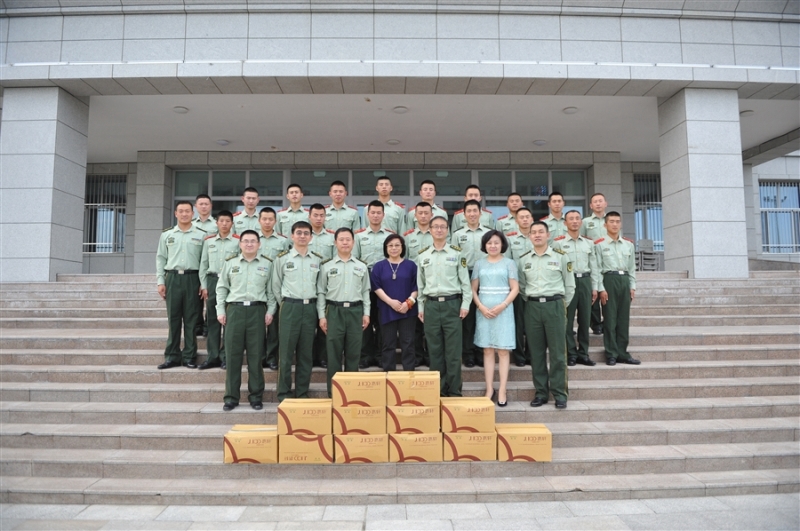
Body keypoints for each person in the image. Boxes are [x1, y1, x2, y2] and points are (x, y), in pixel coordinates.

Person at [215, 230, 276, 411]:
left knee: (256, 356)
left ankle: (256, 396)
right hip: (235, 310)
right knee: (232, 356)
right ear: (240, 244)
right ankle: (231, 397)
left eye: (253, 241)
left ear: (259, 244)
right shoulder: (230, 263)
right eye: (246, 241)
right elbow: (222, 288)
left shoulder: (267, 264)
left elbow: (271, 291)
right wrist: (220, 310)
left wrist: (270, 311)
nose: (249, 244)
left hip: (257, 311)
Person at [517, 221, 575, 409]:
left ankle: (559, 393)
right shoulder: (524, 259)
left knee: (558, 352)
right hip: (532, 307)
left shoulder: (561, 257)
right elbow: (523, 287)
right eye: (533, 232)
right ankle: (541, 392)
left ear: (548, 235)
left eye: (541, 232)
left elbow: (569, 285)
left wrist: (560, 304)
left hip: (555, 306)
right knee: (536, 353)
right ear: (529, 236)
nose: (537, 235)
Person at [417, 216, 472, 397]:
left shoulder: (457, 253)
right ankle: (438, 390)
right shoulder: (423, 255)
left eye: (442, 227)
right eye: (436, 227)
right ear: (430, 230)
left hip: (452, 305)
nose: (439, 230)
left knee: (453, 351)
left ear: (447, 230)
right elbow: (420, 285)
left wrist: (465, 304)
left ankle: (454, 390)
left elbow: (465, 283)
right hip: (431, 306)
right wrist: (421, 308)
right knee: (435, 350)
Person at [272, 221, 323, 402]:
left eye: (306, 233)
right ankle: (284, 393)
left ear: (311, 237)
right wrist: (286, 304)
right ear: (292, 236)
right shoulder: (282, 259)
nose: (302, 236)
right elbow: (276, 286)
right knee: (285, 353)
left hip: (310, 308)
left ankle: (302, 392)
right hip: (290, 307)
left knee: (305, 353)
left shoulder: (317, 259)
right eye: (299, 233)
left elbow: (319, 287)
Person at [317, 228, 371, 398]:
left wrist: (366, 313)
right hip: (334, 311)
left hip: (355, 311)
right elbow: (321, 292)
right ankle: (333, 394)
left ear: (353, 242)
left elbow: (365, 292)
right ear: (335, 242)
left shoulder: (361, 266)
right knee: (333, 354)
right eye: (341, 239)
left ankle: (350, 394)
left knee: (353, 354)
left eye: (348, 239)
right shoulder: (327, 266)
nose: (345, 242)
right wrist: (322, 316)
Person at [156, 201, 206, 370]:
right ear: (175, 213)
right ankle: (172, 356)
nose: (184, 214)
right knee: (174, 319)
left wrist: (203, 283)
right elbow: (161, 258)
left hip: (193, 279)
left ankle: (190, 356)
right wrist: (160, 281)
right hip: (173, 278)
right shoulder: (167, 235)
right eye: (181, 211)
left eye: (187, 211)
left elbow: (204, 262)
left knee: (192, 320)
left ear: (193, 213)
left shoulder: (202, 235)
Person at [471, 230, 519, 407]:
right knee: (488, 350)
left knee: (503, 351)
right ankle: (489, 388)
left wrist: (503, 305)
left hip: (504, 310)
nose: (493, 246)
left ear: (502, 245)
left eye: (496, 243)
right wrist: (481, 306)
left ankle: (503, 389)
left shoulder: (509, 263)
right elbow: (473, 289)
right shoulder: (479, 264)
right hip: (484, 311)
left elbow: (515, 288)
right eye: (489, 243)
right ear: (484, 245)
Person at [552, 210, 598, 367]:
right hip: (567, 283)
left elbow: (594, 267)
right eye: (570, 219)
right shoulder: (558, 243)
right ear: (565, 223)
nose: (574, 221)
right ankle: (571, 353)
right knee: (567, 320)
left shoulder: (589, 243)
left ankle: (583, 353)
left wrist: (595, 287)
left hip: (585, 281)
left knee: (585, 320)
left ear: (581, 222)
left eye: (577, 218)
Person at [595, 212, 641, 366]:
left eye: (617, 221)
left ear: (620, 224)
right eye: (611, 221)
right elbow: (597, 269)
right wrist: (601, 288)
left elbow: (632, 268)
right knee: (610, 319)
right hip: (609, 280)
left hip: (624, 280)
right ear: (605, 224)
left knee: (623, 319)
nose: (614, 224)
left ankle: (623, 352)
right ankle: (611, 353)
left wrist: (632, 286)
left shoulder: (628, 244)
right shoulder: (600, 245)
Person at [354, 201, 395, 368]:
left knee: (382, 320)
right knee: (365, 319)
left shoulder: (390, 236)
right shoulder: (359, 235)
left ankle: (380, 355)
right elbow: (355, 259)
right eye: (373, 212)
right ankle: (365, 355)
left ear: (383, 215)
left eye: (379, 212)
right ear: (367, 214)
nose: (376, 215)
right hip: (364, 280)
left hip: (385, 282)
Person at [371, 234, 419, 371]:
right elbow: (376, 286)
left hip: (408, 311)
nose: (394, 248)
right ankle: (389, 375)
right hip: (386, 310)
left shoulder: (411, 265)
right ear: (386, 248)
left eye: (397, 245)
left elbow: (416, 286)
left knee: (408, 343)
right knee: (388, 344)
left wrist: (408, 303)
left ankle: (409, 375)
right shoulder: (379, 266)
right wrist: (390, 302)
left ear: (402, 247)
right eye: (390, 245)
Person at [198, 210, 239, 370]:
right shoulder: (209, 241)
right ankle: (212, 356)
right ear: (217, 223)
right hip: (213, 281)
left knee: (229, 321)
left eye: (227, 221)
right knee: (213, 320)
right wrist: (204, 285)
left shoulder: (238, 241)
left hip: (231, 283)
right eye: (221, 221)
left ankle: (226, 356)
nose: (224, 224)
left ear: (232, 223)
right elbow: (203, 264)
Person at [451, 200, 489, 368]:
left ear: (480, 213)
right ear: (464, 214)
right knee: (468, 318)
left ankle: (481, 352)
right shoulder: (458, 235)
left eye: (475, 210)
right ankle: (468, 354)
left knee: (483, 317)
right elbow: (454, 259)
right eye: (469, 211)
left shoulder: (488, 233)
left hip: (485, 276)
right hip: (465, 275)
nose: (472, 214)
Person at [257, 207, 290, 371]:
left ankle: (271, 357)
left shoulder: (282, 241)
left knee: (274, 324)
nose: (267, 222)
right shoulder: (254, 239)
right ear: (259, 220)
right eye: (264, 219)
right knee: (258, 324)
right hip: (257, 283)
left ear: (275, 221)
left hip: (276, 283)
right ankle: (259, 356)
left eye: (271, 219)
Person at [404, 202, 436, 368]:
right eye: (420, 213)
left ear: (431, 215)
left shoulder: (437, 234)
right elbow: (406, 260)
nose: (423, 216)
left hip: (432, 282)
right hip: (414, 282)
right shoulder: (408, 236)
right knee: (415, 322)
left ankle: (430, 355)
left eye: (426, 213)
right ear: (415, 216)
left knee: (430, 324)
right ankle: (417, 355)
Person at [504, 206, 534, 367]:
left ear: (531, 219)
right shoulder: (510, 239)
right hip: (517, 288)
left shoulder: (537, 237)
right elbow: (507, 264)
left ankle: (531, 353)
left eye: (527, 216)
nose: (524, 219)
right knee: (517, 323)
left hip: (535, 287)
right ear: (516, 221)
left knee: (533, 324)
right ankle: (519, 355)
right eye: (521, 217)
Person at [307, 203, 335, 369]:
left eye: (321, 215)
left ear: (325, 217)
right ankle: (310, 356)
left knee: (326, 319)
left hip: (326, 282)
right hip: (308, 282)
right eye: (315, 215)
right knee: (310, 322)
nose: (318, 218)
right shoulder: (303, 235)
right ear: (309, 216)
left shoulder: (331, 237)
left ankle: (323, 356)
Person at [582, 192, 609, 335]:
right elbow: (581, 238)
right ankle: (596, 323)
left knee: (606, 292)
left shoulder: (611, 220)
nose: (598, 204)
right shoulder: (585, 222)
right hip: (592, 260)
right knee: (594, 291)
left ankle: (607, 322)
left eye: (600, 201)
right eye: (595, 202)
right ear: (591, 205)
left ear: (606, 203)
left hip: (608, 260)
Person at [192, 194, 216, 337]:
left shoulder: (216, 224)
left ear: (211, 206)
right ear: (196, 206)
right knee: (196, 299)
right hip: (195, 265)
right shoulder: (191, 224)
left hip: (210, 265)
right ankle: (198, 324)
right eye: (200, 204)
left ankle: (208, 324)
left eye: (206, 204)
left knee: (210, 297)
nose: (204, 206)